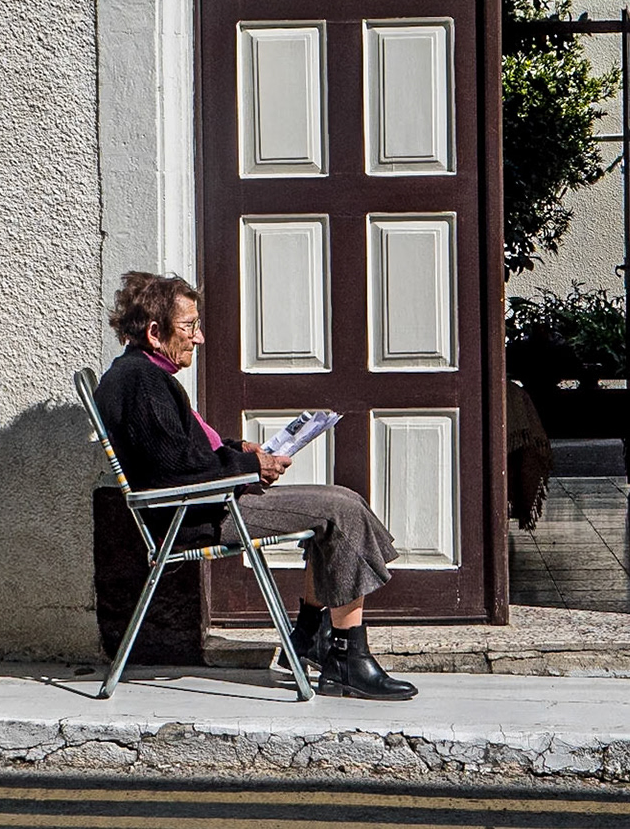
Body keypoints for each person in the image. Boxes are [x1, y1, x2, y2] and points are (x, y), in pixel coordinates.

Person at [95, 270, 417, 701]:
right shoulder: (141, 383)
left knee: (340, 506)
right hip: (196, 513)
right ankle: (346, 659)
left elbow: (181, 451)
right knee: (342, 509)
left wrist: (237, 449)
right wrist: (250, 464)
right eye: (190, 326)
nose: (200, 336)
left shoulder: (143, 375)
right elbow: (177, 471)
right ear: (156, 332)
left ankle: (308, 639)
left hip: (207, 501)